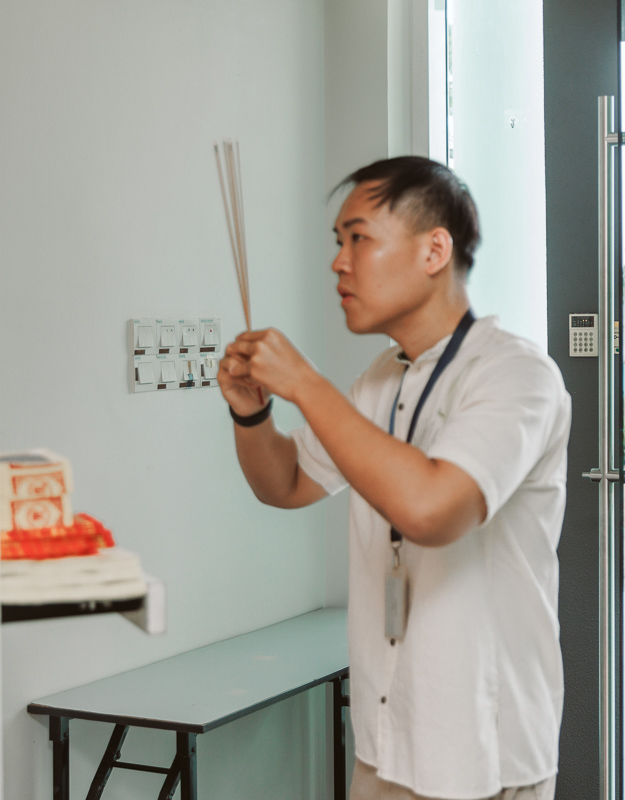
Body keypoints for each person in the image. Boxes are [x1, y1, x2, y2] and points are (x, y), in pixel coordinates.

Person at [218, 156, 570, 800]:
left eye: (359, 239)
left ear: (435, 250)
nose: (339, 262)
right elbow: (287, 482)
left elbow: (432, 510)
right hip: (388, 736)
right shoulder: (380, 378)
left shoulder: (515, 374)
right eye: (337, 242)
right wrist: (253, 411)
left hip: (482, 749)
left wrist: (303, 383)